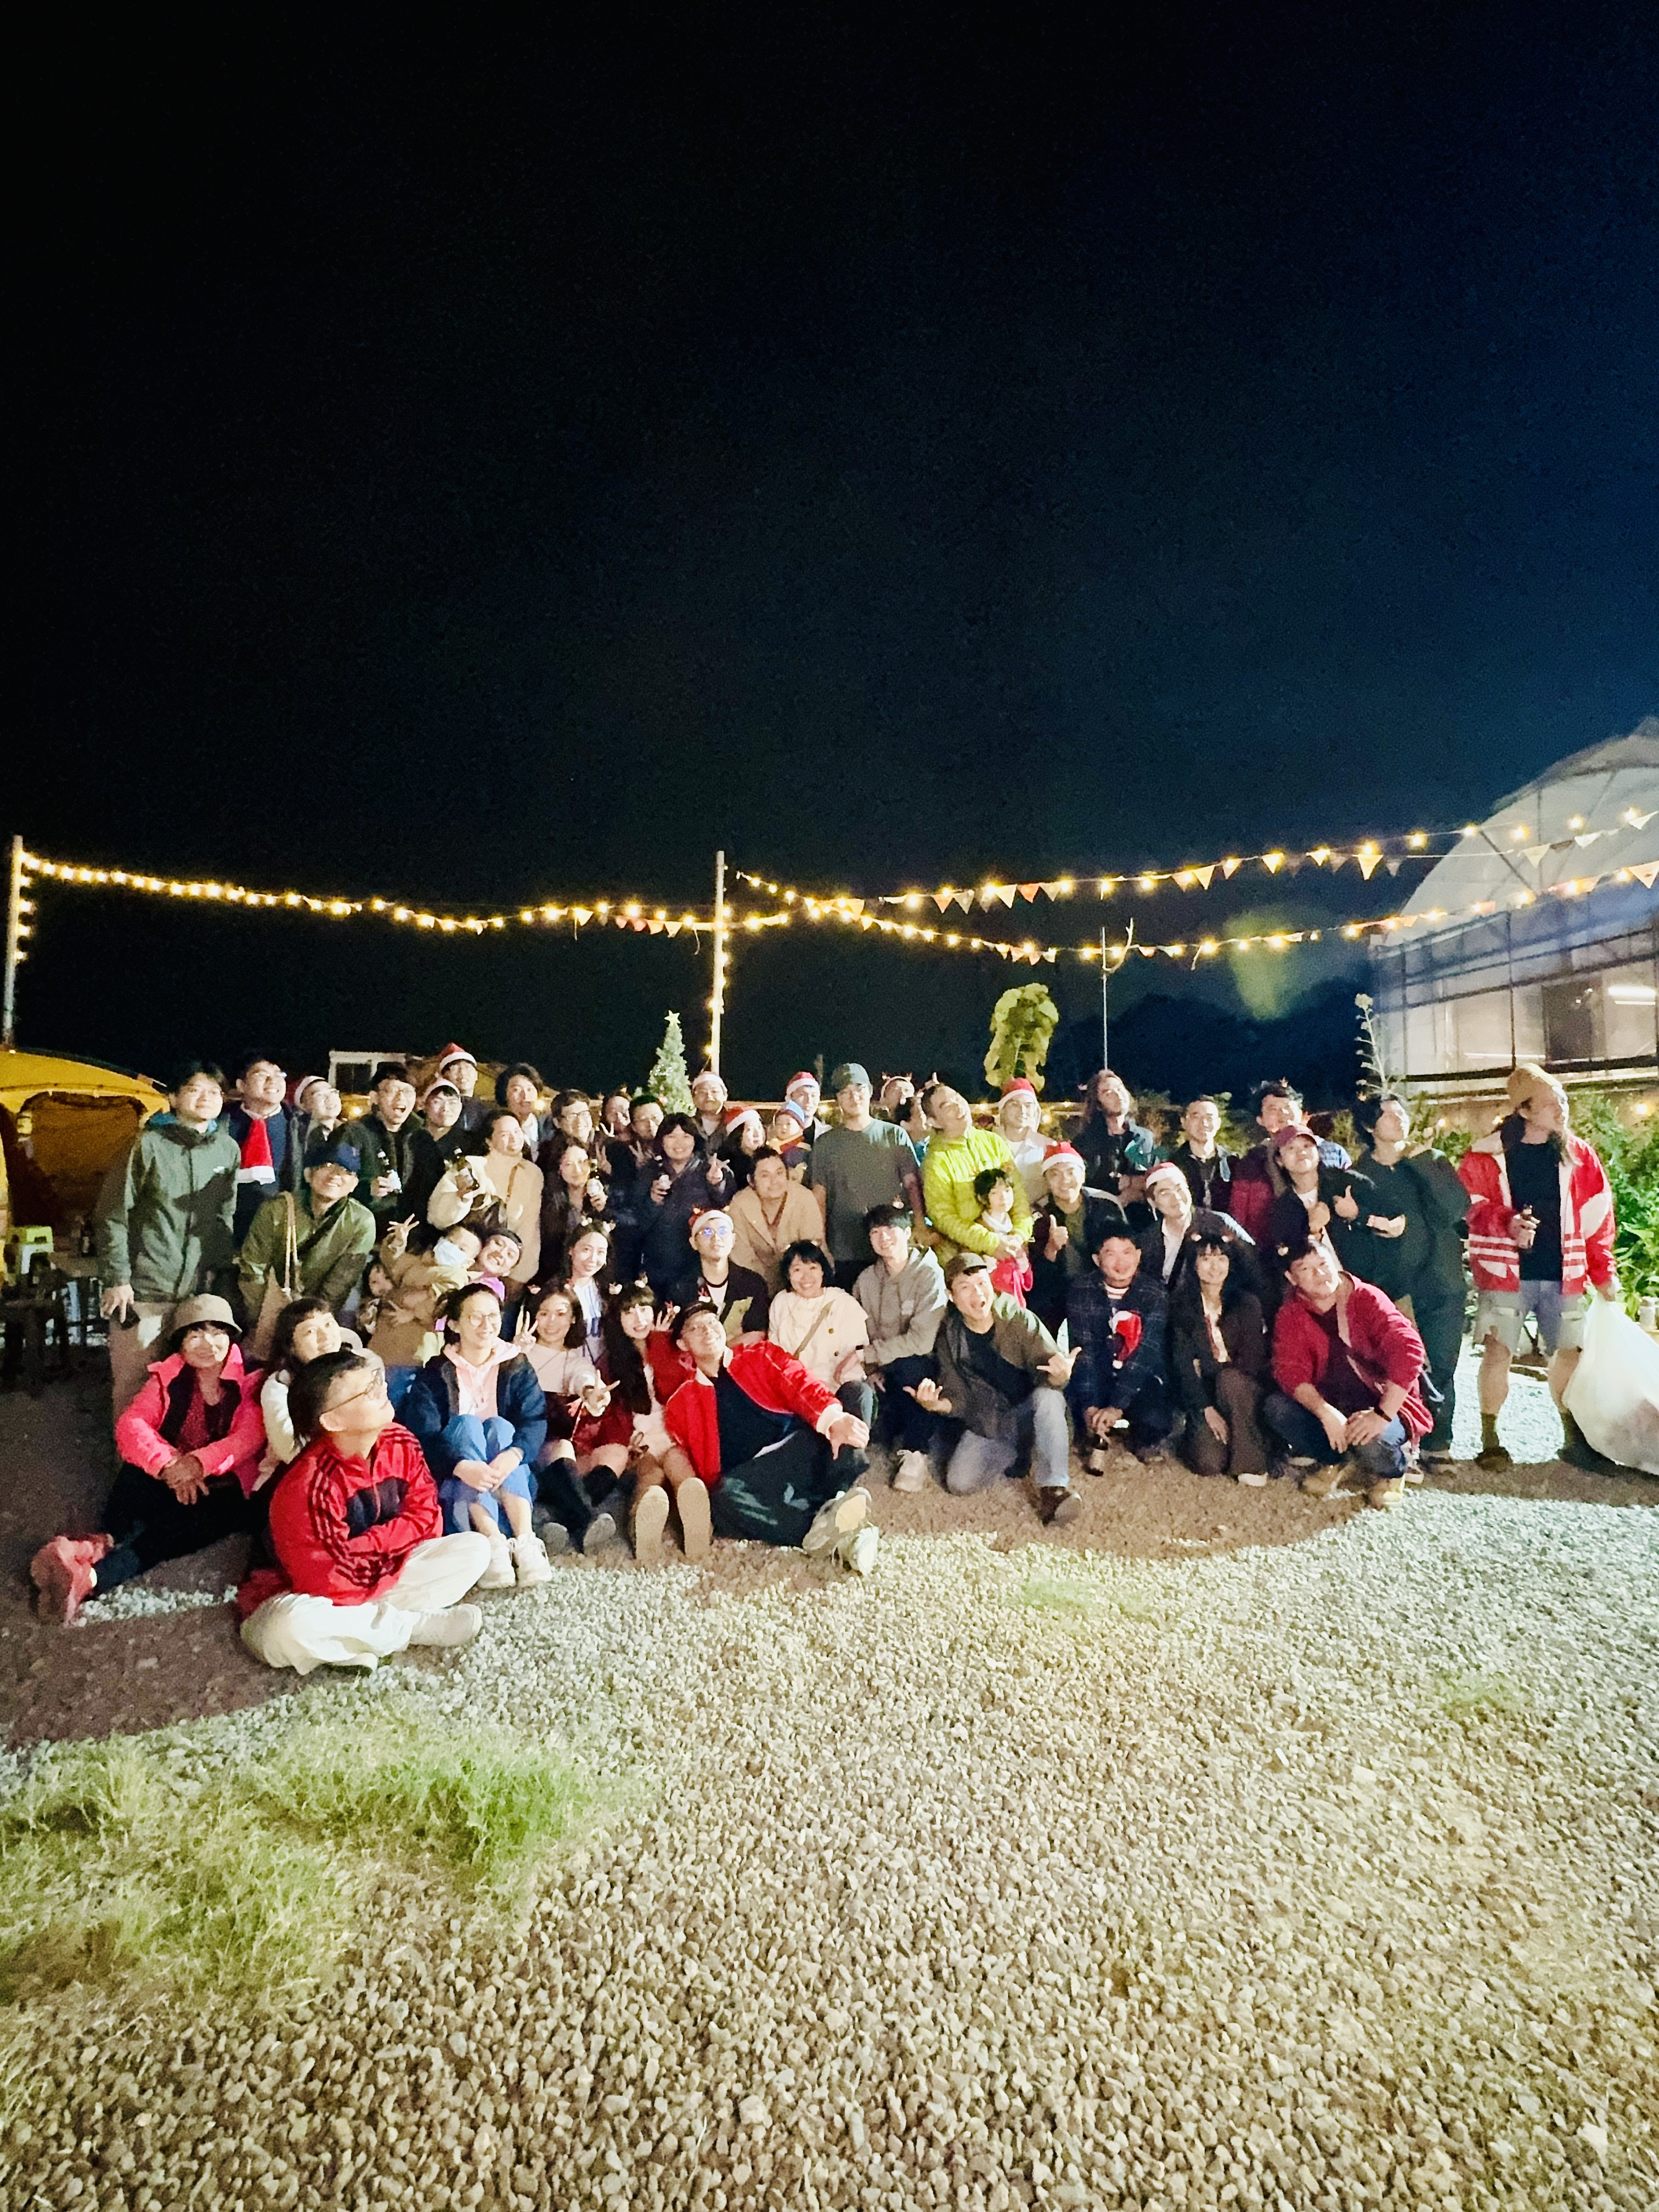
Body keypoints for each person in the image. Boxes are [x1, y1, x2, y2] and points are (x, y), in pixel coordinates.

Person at [239, 1350, 487, 1673]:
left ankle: (351, 1639)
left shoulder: (400, 1441)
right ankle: (412, 1627)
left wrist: (365, 1547)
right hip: (300, 1593)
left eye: (377, 1380)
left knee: (474, 1551)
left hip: (374, 1572)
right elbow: (327, 1582)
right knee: (286, 1628)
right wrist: (391, 1543)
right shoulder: (308, 1484)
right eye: (367, 1391)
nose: (382, 1389)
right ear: (332, 1421)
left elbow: (428, 1519)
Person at [30, 1296, 264, 1622]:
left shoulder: (253, 1379)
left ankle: (90, 1579)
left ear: (231, 1338)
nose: (208, 1344)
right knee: (134, 1476)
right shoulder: (169, 1375)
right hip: (176, 1473)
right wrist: (169, 1465)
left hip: (226, 1487)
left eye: (218, 1333)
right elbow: (132, 1424)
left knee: (172, 1532)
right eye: (195, 1334)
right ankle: (95, 1545)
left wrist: (197, 1465)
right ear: (180, 1343)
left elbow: (249, 1437)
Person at [1459, 1064, 1619, 1472]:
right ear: (1524, 1110)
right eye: (1550, 1103)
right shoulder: (1486, 1154)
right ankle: (1491, 1439)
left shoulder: (1579, 1154)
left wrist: (1603, 1271)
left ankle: (1572, 1438)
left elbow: (1598, 1216)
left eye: (1562, 1099)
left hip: (1565, 1271)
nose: (1561, 1108)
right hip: (1504, 1272)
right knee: (1499, 1352)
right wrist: (1507, 1222)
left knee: (1568, 1354)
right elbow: (1469, 1206)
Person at [659, 1302, 877, 1567]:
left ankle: (838, 1493)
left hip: (801, 1447)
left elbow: (799, 1380)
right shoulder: (681, 1403)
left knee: (858, 1393)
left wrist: (833, 1420)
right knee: (723, 1497)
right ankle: (835, 1530)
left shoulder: (759, 1355)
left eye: (712, 1322)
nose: (708, 1331)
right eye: (696, 1328)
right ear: (682, 1344)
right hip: (756, 1476)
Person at [94, 1059, 242, 1418]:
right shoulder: (146, 1145)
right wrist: (118, 1278)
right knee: (136, 1382)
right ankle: (129, 1454)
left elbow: (224, 1218)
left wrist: (219, 1279)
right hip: (145, 1289)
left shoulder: (227, 1150)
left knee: (190, 1384)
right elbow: (113, 1213)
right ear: (174, 1098)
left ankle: (176, 1453)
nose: (206, 1098)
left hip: (197, 1292)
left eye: (214, 1092)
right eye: (194, 1090)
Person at [400, 1284, 556, 1587]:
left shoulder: (517, 1365)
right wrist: (461, 1466)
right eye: (475, 1317)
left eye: (493, 1316)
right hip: (457, 1478)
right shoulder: (436, 1372)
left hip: (511, 1477)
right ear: (455, 1324)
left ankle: (525, 1540)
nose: (487, 1325)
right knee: (467, 1425)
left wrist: (514, 1455)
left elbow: (535, 1420)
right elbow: (423, 1434)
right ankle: (492, 1541)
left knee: (501, 1427)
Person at [907, 1252, 1079, 1521]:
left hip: (1031, 1414)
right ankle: (1019, 1452)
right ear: (951, 1296)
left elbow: (1052, 1377)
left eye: (982, 1283)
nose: (978, 1293)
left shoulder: (1020, 1320)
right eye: (965, 1287)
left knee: (1049, 1398)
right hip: (991, 1423)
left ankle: (1053, 1489)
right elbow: (959, 1397)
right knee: (960, 1483)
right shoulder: (950, 1338)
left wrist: (1062, 1374)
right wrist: (936, 1405)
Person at [1265, 1235, 1430, 1508]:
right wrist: (1324, 1412)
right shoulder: (1291, 1313)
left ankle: (1392, 1472)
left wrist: (1381, 1415)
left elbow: (1409, 1349)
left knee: (1373, 1438)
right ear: (1291, 1278)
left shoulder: (1365, 1297)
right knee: (1277, 1408)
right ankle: (1336, 1461)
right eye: (1306, 1269)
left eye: (1323, 1264)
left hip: (1380, 1401)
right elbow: (1290, 1371)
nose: (1320, 1274)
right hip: (1333, 1402)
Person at [1351, 1093, 1470, 1464]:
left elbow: (1456, 1209)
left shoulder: (1430, 1160)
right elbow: (1357, 1234)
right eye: (1388, 1114)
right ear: (1370, 1126)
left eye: (1401, 1112)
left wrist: (1422, 1162)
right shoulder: (1361, 1175)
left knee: (1443, 1364)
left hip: (1443, 1280)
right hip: (1394, 1288)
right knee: (1402, 1365)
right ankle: (1405, 1441)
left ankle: (1439, 1444)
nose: (1399, 1118)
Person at [574, 1285, 699, 1564]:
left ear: (655, 1312)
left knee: (679, 1465)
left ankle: (696, 1521)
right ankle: (641, 1526)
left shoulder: (673, 1347)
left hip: (674, 1433)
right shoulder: (611, 1362)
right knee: (651, 1475)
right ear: (618, 1320)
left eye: (644, 1309)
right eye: (629, 1312)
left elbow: (674, 1390)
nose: (639, 1318)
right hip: (639, 1439)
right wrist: (624, 1442)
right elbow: (611, 1413)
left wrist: (659, 1343)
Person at [510, 1285, 622, 1556]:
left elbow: (583, 1378)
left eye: (560, 1314)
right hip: (521, 1451)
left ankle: (551, 1515)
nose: (551, 1322)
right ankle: (585, 1519)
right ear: (533, 1316)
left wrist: (592, 1394)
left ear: (573, 1319)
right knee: (562, 1447)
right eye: (544, 1313)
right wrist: (514, 1355)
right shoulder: (516, 1351)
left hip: (559, 1459)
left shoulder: (576, 1360)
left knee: (616, 1453)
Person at [238, 1135, 379, 1336]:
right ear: (309, 1174)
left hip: (316, 1313)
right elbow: (254, 1269)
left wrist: (311, 1324)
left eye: (346, 1171)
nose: (335, 1176)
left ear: (355, 1184)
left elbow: (339, 1285)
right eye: (327, 1166)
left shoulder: (361, 1222)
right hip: (270, 1305)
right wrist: (260, 1316)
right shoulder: (277, 1209)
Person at [1065, 1225, 1178, 1468]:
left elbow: (1145, 1354)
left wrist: (1117, 1406)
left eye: (1127, 1253)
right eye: (1111, 1254)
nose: (1120, 1262)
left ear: (1138, 1256)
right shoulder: (1082, 1289)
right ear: (1097, 1259)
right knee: (1072, 1415)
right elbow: (1085, 1350)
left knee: (1157, 1419)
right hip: (1099, 1371)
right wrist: (1090, 1405)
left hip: (1138, 1377)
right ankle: (1095, 1425)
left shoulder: (1154, 1293)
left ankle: (1132, 1433)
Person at [854, 1203, 947, 1492]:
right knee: (878, 1431)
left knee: (911, 1367)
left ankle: (916, 1452)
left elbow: (922, 1341)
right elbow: (858, 1329)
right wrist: (870, 1368)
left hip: (924, 1363)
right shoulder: (866, 1279)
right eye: (876, 1232)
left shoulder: (928, 1274)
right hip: (882, 1366)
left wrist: (871, 1355)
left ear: (907, 1233)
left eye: (891, 1229)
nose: (884, 1238)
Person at [767, 1239, 873, 1486]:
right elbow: (776, 1356)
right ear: (788, 1275)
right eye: (797, 1269)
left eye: (812, 1268)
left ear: (823, 1271)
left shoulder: (843, 1303)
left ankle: (843, 1474)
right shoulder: (781, 1303)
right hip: (798, 1389)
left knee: (861, 1394)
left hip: (837, 1387)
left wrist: (829, 1397)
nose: (806, 1277)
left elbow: (855, 1358)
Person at [1169, 1234, 1272, 1483]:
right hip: (1205, 1393)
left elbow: (1252, 1360)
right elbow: (1183, 1364)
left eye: (1221, 1258)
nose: (1214, 1266)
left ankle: (1251, 1464)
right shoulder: (1181, 1305)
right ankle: (1224, 1437)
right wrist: (1207, 1408)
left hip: (1243, 1387)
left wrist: (1209, 1368)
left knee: (1230, 1380)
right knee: (1208, 1462)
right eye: (1205, 1259)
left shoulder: (1247, 1303)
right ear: (1194, 1265)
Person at [810, 1063, 925, 1286]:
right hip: (845, 1250)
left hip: (892, 1248)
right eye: (845, 1092)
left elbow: (912, 1184)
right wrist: (821, 1244)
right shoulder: (825, 1144)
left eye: (859, 1088)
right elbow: (819, 1197)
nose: (854, 1097)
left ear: (871, 1091)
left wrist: (920, 1224)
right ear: (838, 1099)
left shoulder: (894, 1135)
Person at [427, 1108, 545, 1286]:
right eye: (505, 1134)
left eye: (517, 1131)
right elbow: (437, 1217)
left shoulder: (532, 1174)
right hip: (454, 1260)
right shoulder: (471, 1166)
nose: (514, 1138)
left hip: (496, 1269)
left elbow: (529, 1229)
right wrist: (461, 1198)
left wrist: (519, 1277)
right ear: (489, 1141)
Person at [1264, 1126, 1397, 1280]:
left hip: (1376, 1283)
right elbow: (1288, 1261)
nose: (1301, 1152)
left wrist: (1357, 1214)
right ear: (1280, 1160)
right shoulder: (1283, 1210)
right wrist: (1313, 1232)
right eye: (1291, 1148)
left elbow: (1395, 1222)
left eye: (1307, 1146)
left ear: (1318, 1152)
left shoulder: (1347, 1183)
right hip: (1324, 1291)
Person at [1228, 1079, 1351, 1245]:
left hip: (1340, 1247)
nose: (1284, 1113)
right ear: (1260, 1120)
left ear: (1301, 1112)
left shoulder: (1333, 1153)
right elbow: (1239, 1219)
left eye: (1288, 1106)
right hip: (1277, 1252)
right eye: (1273, 1109)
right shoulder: (1251, 1164)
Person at [921, 1085, 1032, 1266]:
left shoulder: (993, 1142)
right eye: (948, 1106)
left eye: (958, 1098)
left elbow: (1018, 1195)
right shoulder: (937, 1160)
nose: (959, 1106)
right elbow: (944, 1217)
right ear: (935, 1122)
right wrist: (990, 1242)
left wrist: (1019, 1235)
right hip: (965, 1256)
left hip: (1011, 1246)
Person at [1027, 1142, 1128, 1335]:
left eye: (1071, 1172)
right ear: (1046, 1180)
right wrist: (1051, 1250)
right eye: (1055, 1174)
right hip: (1056, 1295)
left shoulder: (1106, 1206)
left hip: (1101, 1290)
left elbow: (1126, 1255)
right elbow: (1033, 1278)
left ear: (1082, 1175)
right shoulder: (1037, 1215)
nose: (1064, 1180)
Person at [258, 1295, 366, 1474]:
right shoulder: (280, 1386)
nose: (325, 1336)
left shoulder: (361, 1368)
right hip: (299, 1476)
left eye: (329, 1324)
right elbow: (291, 1450)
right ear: (292, 1346)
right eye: (310, 1331)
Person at [1136, 1161, 1257, 1304]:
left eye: (1180, 1188)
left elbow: (1255, 1268)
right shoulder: (1147, 1240)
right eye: (1165, 1193)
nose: (1176, 1197)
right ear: (1153, 1202)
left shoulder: (1220, 1224)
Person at [640, 1113, 734, 1293]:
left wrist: (716, 1185)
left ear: (696, 1140)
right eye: (671, 1137)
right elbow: (638, 1222)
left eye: (686, 1136)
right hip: (659, 1266)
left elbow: (728, 1212)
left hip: (702, 1266)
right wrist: (653, 1201)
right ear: (662, 1141)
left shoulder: (713, 1169)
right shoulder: (648, 1172)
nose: (679, 1143)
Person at [368, 1218, 477, 1370]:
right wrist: (399, 1241)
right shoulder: (421, 1262)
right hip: (383, 1339)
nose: (453, 1248)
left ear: (469, 1262)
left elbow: (440, 1303)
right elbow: (394, 1263)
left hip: (413, 1352)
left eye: (462, 1249)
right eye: (451, 1241)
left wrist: (413, 1312)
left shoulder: (457, 1276)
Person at [726, 1146, 825, 1291]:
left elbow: (811, 1250)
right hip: (757, 1284)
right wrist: (766, 1290)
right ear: (751, 1181)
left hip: (804, 1281)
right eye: (765, 1176)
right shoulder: (739, 1204)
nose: (774, 1181)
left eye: (779, 1173)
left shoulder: (804, 1198)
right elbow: (742, 1258)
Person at [226, 1053, 301, 1243]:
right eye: (261, 1075)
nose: (273, 1080)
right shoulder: (220, 1123)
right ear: (241, 1085)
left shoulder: (302, 1126)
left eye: (279, 1074)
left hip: (280, 1229)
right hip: (225, 1228)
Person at [665, 1207, 771, 1340]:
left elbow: (756, 1334)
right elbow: (679, 1337)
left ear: (733, 1240)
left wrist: (714, 1347)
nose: (716, 1238)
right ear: (694, 1243)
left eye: (723, 1231)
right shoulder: (680, 1287)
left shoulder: (752, 1283)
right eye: (707, 1232)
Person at [346, 1063, 422, 1228]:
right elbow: (335, 1179)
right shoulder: (353, 1133)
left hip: (413, 1227)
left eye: (408, 1092)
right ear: (374, 1097)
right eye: (393, 1090)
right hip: (366, 1226)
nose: (401, 1098)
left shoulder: (421, 1134)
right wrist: (368, 1189)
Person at [1075, 1070, 1158, 1203]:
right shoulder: (1085, 1142)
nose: (1118, 1095)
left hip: (1140, 1212)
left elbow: (1157, 1180)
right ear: (1098, 1105)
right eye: (1108, 1093)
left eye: (1120, 1089)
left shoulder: (1144, 1138)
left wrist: (1131, 1183)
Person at [539, 1138, 611, 1278]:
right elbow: (549, 1248)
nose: (577, 1170)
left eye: (582, 1162)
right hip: (559, 1274)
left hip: (598, 1274)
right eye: (568, 1164)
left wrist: (605, 1209)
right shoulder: (550, 1201)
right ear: (559, 1170)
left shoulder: (606, 1191)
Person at [405, 1079, 473, 1221]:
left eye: (452, 1103)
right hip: (411, 1217)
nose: (445, 1109)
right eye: (437, 1102)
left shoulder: (471, 1143)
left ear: (461, 1107)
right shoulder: (410, 1139)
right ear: (424, 1105)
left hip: (452, 1218)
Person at [1166, 1095, 1238, 1215]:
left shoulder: (1232, 1162)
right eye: (1196, 1117)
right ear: (1184, 1122)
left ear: (1218, 1124)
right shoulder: (1173, 1165)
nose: (1204, 1123)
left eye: (1210, 1118)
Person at [974, 1166, 1032, 1304]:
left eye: (1007, 1190)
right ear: (982, 1198)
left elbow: (1025, 1281)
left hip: (1016, 1301)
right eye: (994, 1193)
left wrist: (1023, 1263)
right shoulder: (979, 1230)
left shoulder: (1016, 1228)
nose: (1003, 1197)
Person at [561, 1224, 617, 1366]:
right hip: (566, 1368)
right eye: (586, 1250)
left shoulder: (607, 1291)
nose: (593, 1259)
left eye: (601, 1252)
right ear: (571, 1250)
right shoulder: (556, 1291)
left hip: (603, 1370)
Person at [996, 1080, 1049, 1203]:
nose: (1022, 1111)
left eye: (1028, 1106)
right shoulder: (987, 1144)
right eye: (1015, 1105)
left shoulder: (1047, 1147)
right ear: (1003, 1109)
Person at [434, 1043, 491, 1136]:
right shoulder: (436, 1108)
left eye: (467, 1068)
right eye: (455, 1069)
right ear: (445, 1077)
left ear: (476, 1075)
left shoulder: (487, 1111)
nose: (463, 1073)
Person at [716, 1104, 768, 1190]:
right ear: (738, 1134)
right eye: (750, 1129)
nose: (757, 1134)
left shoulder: (771, 1157)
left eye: (760, 1127)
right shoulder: (725, 1163)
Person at [495, 1063, 546, 1152]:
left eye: (530, 1089)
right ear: (505, 1094)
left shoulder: (548, 1128)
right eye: (516, 1090)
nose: (525, 1096)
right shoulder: (496, 1128)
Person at [292, 1075, 345, 1155]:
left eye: (332, 1092)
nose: (329, 1098)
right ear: (304, 1105)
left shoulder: (350, 1131)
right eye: (320, 1095)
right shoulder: (297, 1136)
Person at [769, 1103, 813, 1181]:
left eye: (789, 1124)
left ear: (800, 1127)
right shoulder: (773, 1148)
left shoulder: (801, 1151)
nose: (784, 1127)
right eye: (779, 1124)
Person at [783, 1071, 830, 1143]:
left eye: (813, 1096)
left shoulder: (828, 1134)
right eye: (802, 1095)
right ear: (791, 1098)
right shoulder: (776, 1133)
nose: (809, 1100)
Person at [691, 1069, 729, 1148]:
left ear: (725, 1096)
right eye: (702, 1092)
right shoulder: (687, 1125)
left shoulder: (736, 1123)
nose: (709, 1096)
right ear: (694, 1098)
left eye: (714, 1092)